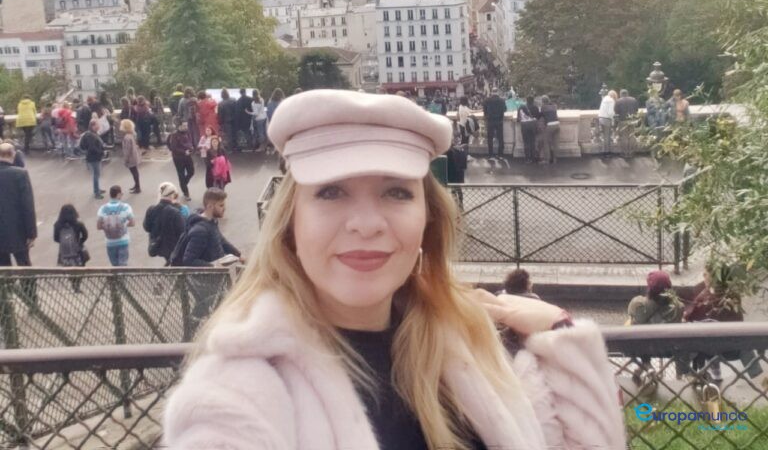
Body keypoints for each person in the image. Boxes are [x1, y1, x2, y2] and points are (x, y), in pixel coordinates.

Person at [164, 90, 625, 450]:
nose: (366, 224)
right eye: (330, 192)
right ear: (290, 223)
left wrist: (561, 334)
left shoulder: (472, 341)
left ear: (429, 221)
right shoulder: (237, 393)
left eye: (396, 193)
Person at [627, 270, 683, 384]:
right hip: (668, 348)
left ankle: (646, 364)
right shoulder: (678, 307)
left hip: (642, 348)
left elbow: (633, 320)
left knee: (634, 326)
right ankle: (679, 376)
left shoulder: (638, 304)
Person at [0, 142, 37, 266]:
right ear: (12, 154)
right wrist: (31, 233)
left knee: (3, 269)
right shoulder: (20, 174)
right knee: (24, 265)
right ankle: (28, 285)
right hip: (18, 230)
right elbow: (28, 207)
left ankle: (7, 286)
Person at [143, 182, 186, 265]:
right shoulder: (175, 212)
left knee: (168, 259)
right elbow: (182, 232)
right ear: (172, 195)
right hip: (173, 247)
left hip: (158, 245)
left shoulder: (151, 209)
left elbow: (146, 227)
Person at [96, 185, 135, 266]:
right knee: (123, 264)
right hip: (123, 241)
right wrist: (123, 225)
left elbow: (99, 226)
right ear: (118, 194)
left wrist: (108, 227)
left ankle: (116, 278)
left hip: (110, 242)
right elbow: (132, 223)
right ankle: (122, 277)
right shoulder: (125, 207)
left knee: (114, 265)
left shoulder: (103, 208)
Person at [54, 204, 89, 290]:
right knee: (80, 268)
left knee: (68, 268)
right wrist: (79, 242)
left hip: (64, 252)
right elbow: (85, 235)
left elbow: (55, 238)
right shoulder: (78, 224)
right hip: (77, 251)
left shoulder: (57, 225)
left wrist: (63, 242)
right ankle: (77, 284)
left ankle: (73, 282)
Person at [79, 119, 106, 199]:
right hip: (94, 157)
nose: (99, 126)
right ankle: (96, 192)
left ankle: (97, 189)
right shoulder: (91, 135)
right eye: (97, 125)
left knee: (96, 174)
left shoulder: (90, 134)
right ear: (93, 126)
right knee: (96, 175)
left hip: (93, 157)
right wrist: (101, 152)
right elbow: (92, 148)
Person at [168, 121, 194, 201]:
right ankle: (186, 192)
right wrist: (183, 152)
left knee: (191, 172)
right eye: (184, 125)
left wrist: (191, 147)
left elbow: (190, 141)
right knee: (181, 174)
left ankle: (183, 184)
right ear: (179, 126)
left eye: (186, 125)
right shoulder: (175, 135)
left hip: (188, 156)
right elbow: (173, 148)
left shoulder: (187, 132)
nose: (186, 127)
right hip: (178, 158)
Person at [614, 89, 639, 159]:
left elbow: (616, 111)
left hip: (623, 121)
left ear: (621, 94)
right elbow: (636, 110)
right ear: (627, 93)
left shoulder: (618, 101)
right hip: (632, 120)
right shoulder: (633, 100)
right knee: (631, 136)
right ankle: (631, 152)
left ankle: (625, 153)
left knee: (624, 137)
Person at [482, 87, 506, 157]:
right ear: (497, 92)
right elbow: (504, 109)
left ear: (492, 92)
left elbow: (484, 111)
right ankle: (500, 153)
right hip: (499, 120)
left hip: (490, 121)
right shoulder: (502, 100)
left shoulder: (487, 100)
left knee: (490, 138)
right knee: (500, 137)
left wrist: (487, 116)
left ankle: (490, 153)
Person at [120, 119, 142, 194]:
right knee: (135, 172)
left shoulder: (127, 137)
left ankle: (137, 187)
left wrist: (125, 159)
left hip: (131, 158)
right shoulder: (131, 135)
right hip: (134, 156)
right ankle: (136, 185)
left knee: (134, 172)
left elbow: (127, 150)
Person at [517, 96, 540, 164]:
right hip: (532, 125)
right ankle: (533, 158)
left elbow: (518, 119)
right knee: (532, 142)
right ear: (533, 101)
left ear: (526, 101)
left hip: (524, 126)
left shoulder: (521, 107)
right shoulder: (535, 107)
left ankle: (527, 159)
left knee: (526, 142)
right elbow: (537, 117)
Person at [539, 95, 559, 165]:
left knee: (546, 143)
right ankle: (555, 159)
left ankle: (547, 160)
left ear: (543, 101)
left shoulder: (543, 107)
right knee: (555, 143)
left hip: (550, 125)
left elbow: (540, 115)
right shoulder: (554, 106)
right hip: (557, 125)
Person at [598, 89, 617, 156]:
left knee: (603, 136)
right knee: (607, 136)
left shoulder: (604, 99)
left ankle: (603, 150)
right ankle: (607, 152)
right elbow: (610, 112)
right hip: (607, 119)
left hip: (601, 118)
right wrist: (613, 115)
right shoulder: (611, 101)